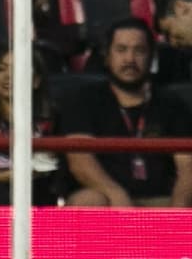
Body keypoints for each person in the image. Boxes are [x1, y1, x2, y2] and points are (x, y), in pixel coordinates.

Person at [62, 18, 192, 207]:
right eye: (121, 50)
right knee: (88, 200)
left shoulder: (173, 104)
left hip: (163, 201)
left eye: (139, 51)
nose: (130, 59)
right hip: (109, 198)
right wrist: (117, 195)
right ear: (107, 56)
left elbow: (187, 168)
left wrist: (175, 215)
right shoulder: (84, 100)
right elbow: (80, 162)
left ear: (151, 57)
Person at [0, 48, 62, 206]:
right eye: (1, 69)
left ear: (35, 81)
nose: (7, 77)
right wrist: (2, 177)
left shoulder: (52, 118)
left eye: (17, 70)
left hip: (37, 193)